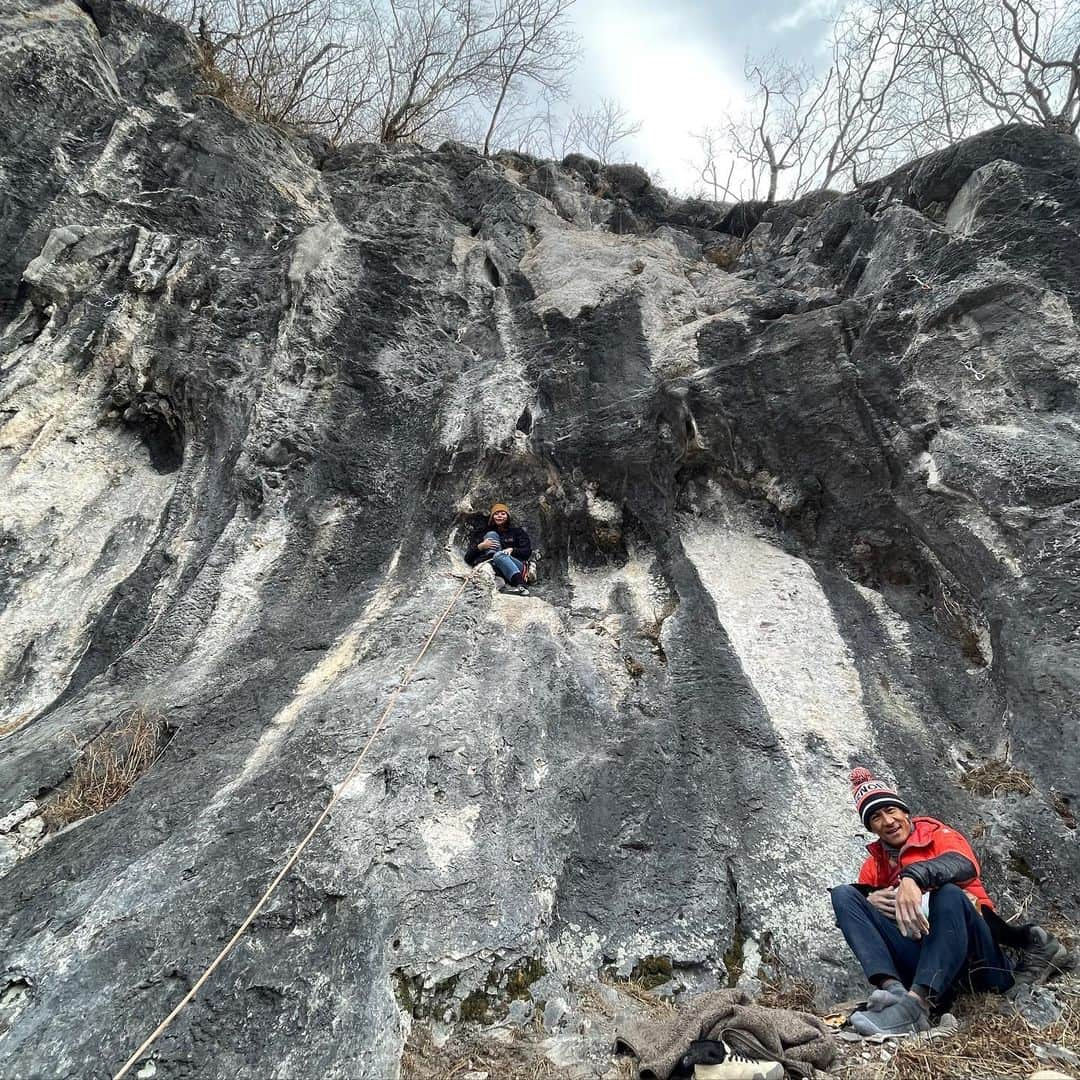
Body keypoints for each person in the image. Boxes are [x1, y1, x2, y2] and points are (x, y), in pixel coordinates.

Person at [831, 767, 1069, 1036]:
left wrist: (914, 878)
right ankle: (896, 994)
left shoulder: (938, 835)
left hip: (978, 961)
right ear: (871, 827)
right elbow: (856, 919)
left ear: (904, 811)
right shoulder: (873, 867)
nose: (887, 821)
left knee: (949, 893)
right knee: (844, 894)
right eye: (876, 816)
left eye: (891, 810)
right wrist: (869, 898)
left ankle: (916, 1005)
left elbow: (964, 864)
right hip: (922, 961)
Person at [464, 502, 533, 595]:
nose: (499, 516)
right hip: (496, 567)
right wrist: (481, 547)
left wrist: (512, 550)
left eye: (503, 514)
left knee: (499, 555)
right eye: (496, 514)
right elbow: (468, 558)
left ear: (508, 517)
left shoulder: (517, 532)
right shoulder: (485, 533)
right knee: (491, 535)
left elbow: (527, 552)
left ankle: (521, 585)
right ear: (492, 517)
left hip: (517, 566)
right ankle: (494, 563)